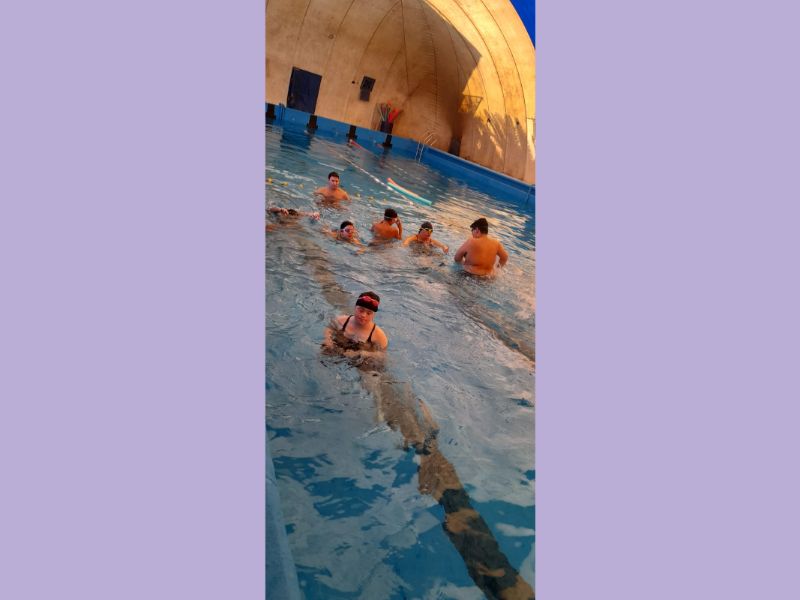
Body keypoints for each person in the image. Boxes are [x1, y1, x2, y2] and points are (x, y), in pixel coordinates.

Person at [323, 291, 388, 352]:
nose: (363, 315)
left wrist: (361, 354)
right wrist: (328, 339)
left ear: (373, 315)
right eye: (361, 310)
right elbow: (329, 328)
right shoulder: (341, 321)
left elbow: (382, 355)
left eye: (369, 313)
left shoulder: (379, 335)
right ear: (355, 307)